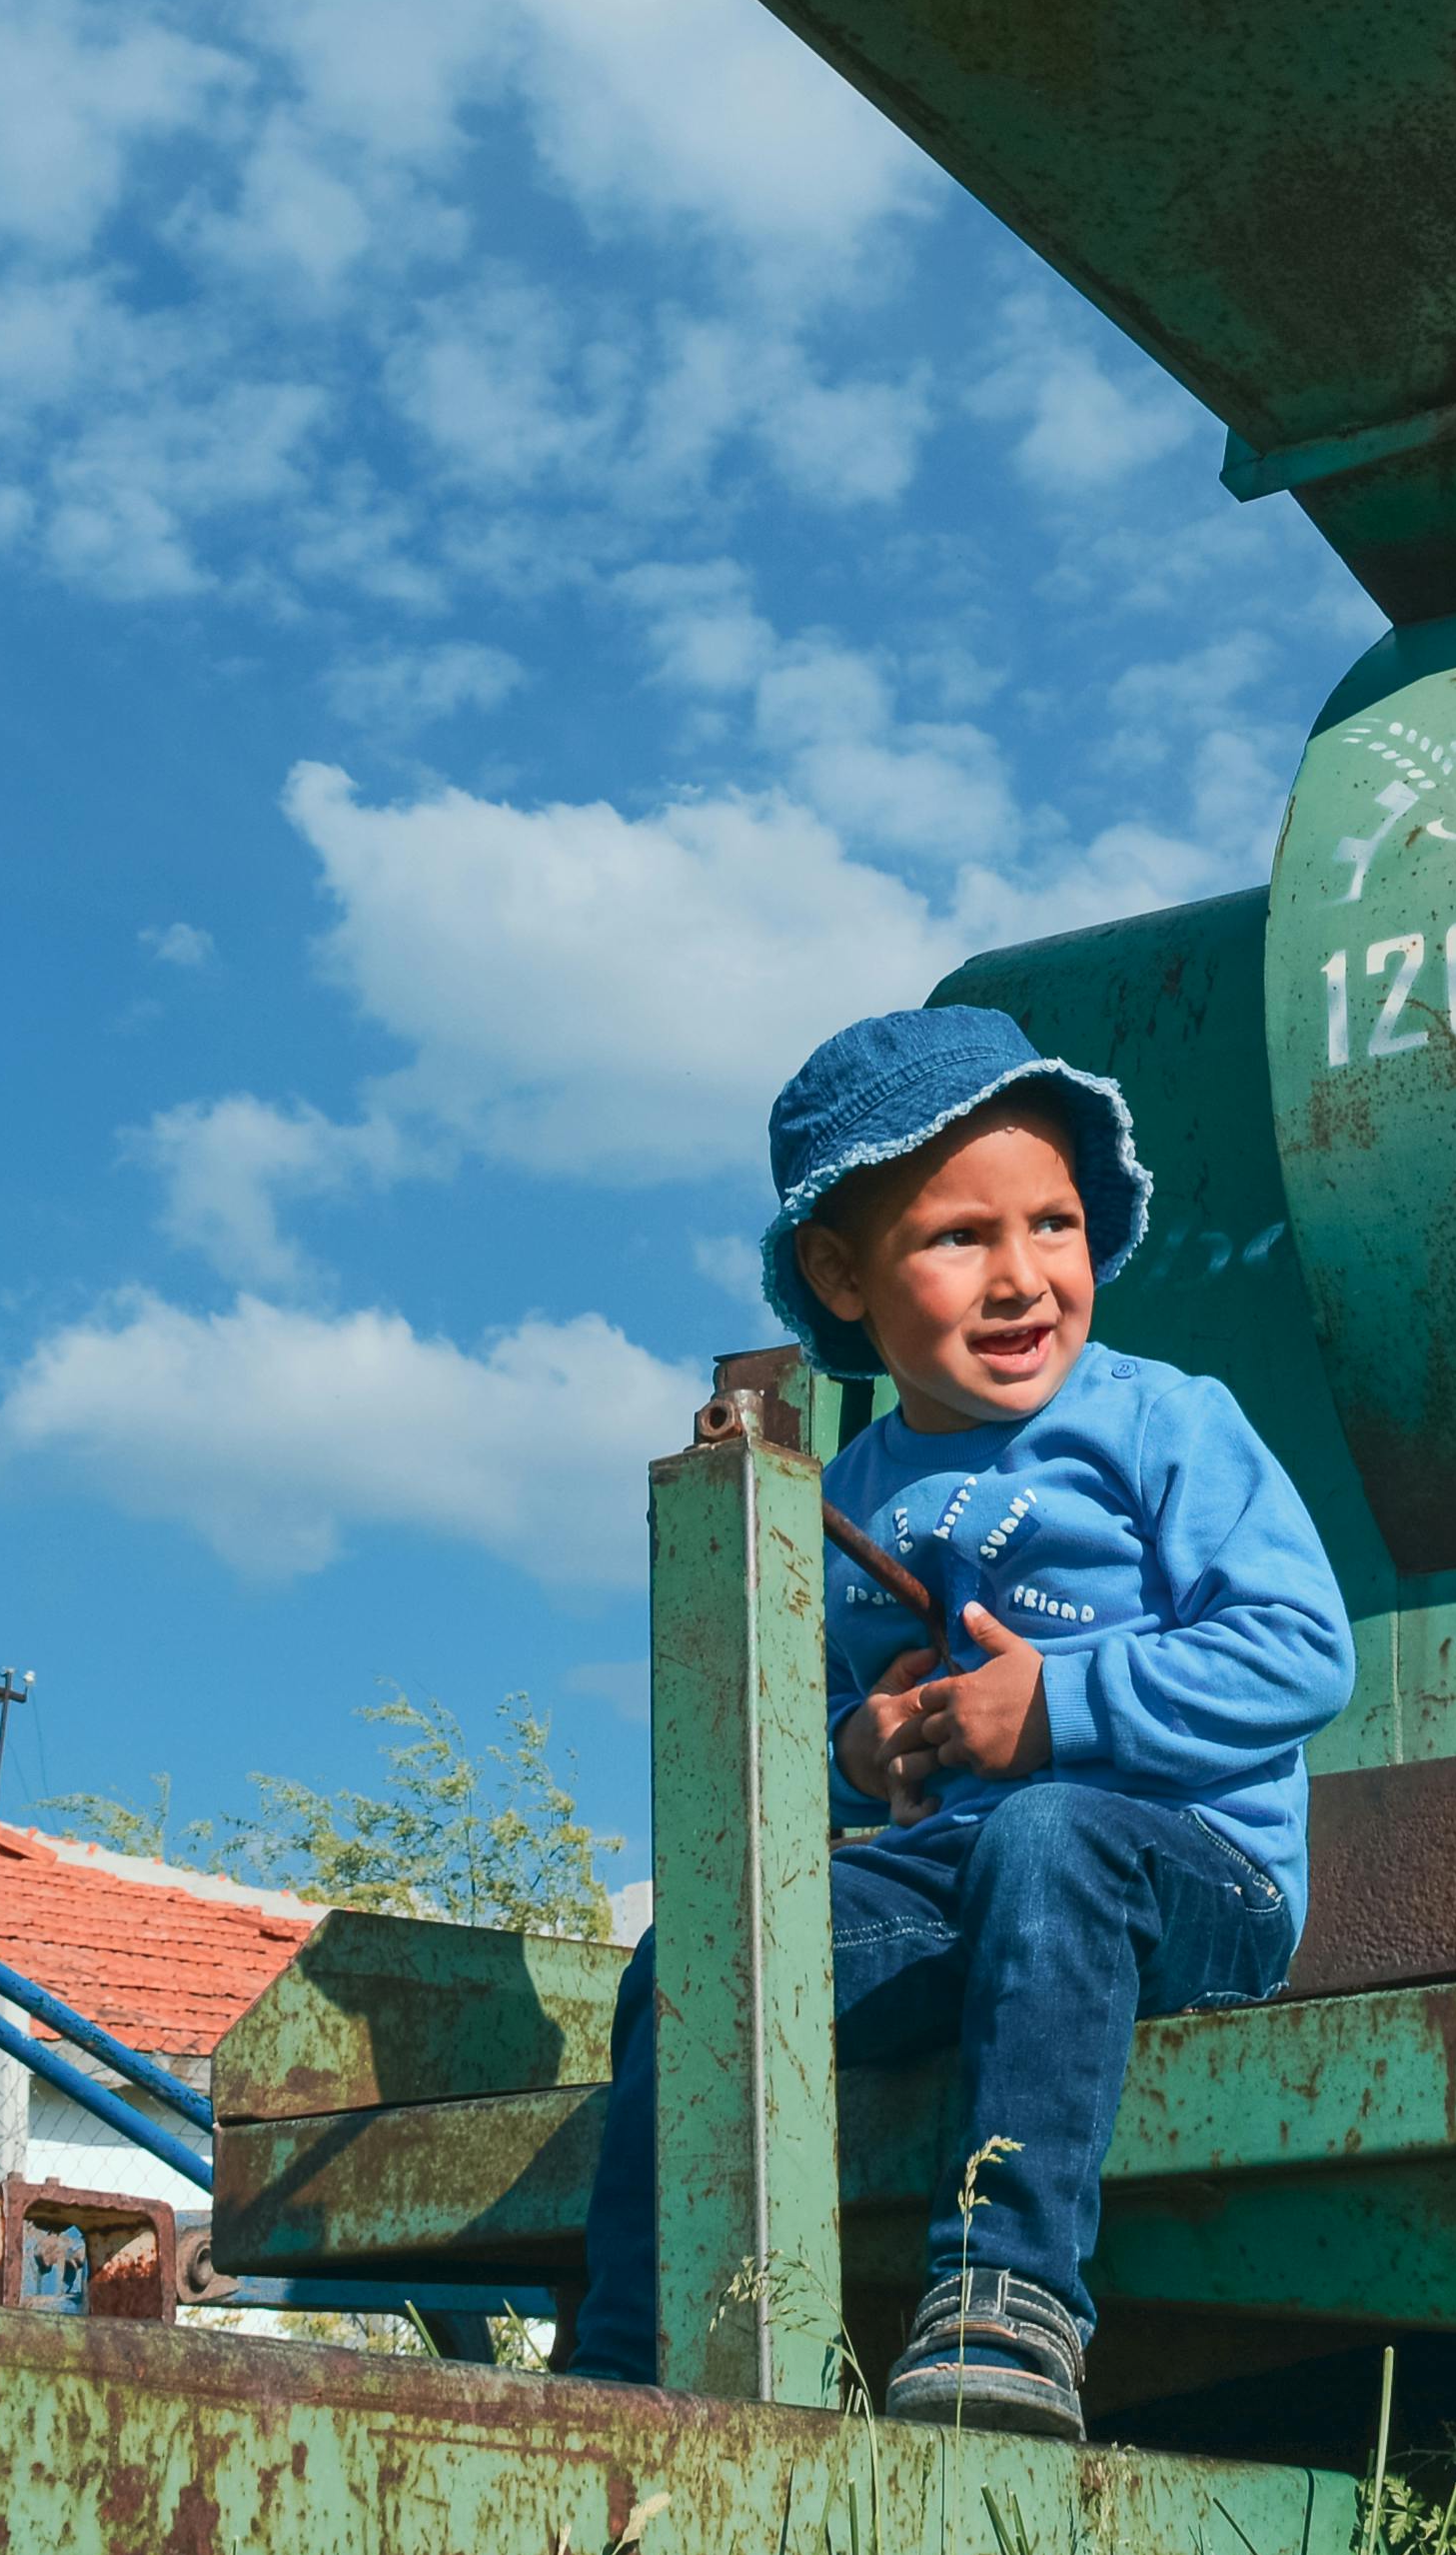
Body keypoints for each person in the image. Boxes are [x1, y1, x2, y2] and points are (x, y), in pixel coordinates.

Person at [556, 1003, 1352, 2440]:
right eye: (958, 1239)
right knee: (707, 1956)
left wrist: (1055, 1706)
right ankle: (632, 2352)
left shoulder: (1167, 1422)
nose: (1023, 1277)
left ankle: (1007, 2301)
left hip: (1183, 1875)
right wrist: (855, 1750)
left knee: (1048, 1837)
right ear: (840, 1274)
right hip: (953, 1894)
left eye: (1054, 1226)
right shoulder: (845, 1492)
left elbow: (1298, 1654)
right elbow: (792, 1741)